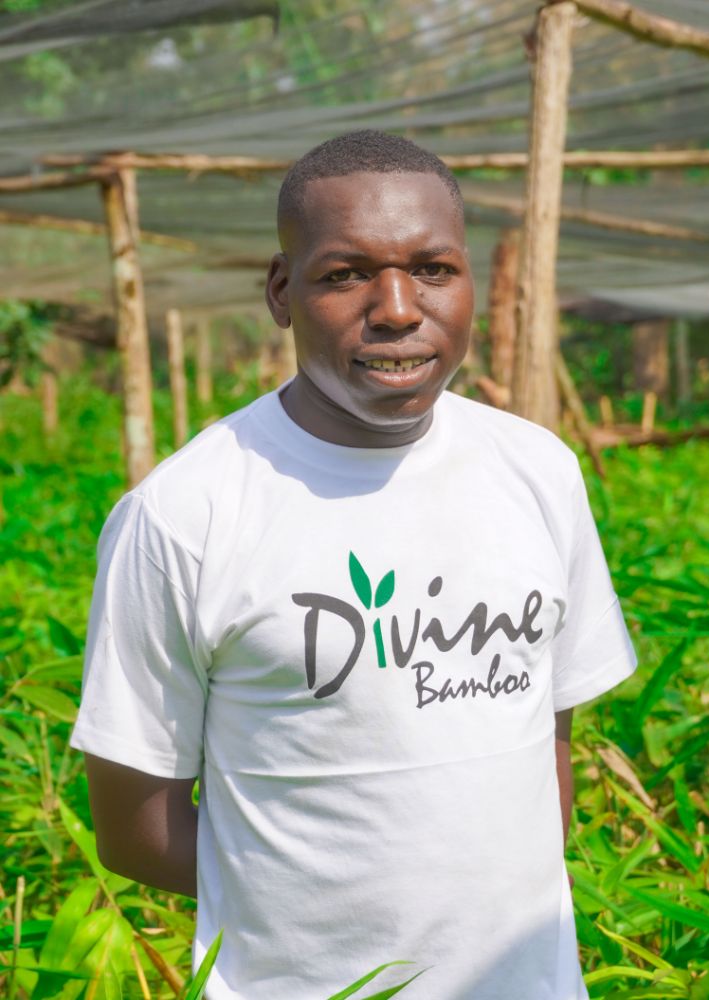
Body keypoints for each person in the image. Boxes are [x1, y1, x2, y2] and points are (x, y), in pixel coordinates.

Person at [72, 130, 637, 1000]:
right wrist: (325, 915)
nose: (399, 308)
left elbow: (546, 744)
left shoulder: (538, 471)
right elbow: (135, 829)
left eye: (434, 269)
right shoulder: (185, 514)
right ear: (282, 291)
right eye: (346, 274)